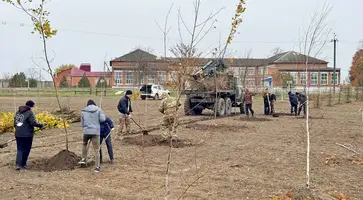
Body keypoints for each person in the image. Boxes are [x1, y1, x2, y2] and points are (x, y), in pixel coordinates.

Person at [13, 100, 44, 170]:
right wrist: (40, 125)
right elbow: (32, 123)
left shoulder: (18, 112)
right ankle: (23, 163)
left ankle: (18, 164)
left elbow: (15, 123)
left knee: (20, 149)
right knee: (26, 149)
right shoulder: (29, 112)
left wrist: (18, 130)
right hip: (27, 135)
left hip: (18, 134)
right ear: (31, 106)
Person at [79, 99, 106, 173]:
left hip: (86, 131)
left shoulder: (83, 111)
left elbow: (82, 124)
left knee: (84, 145)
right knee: (96, 149)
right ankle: (97, 167)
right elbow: (103, 119)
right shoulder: (98, 110)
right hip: (95, 132)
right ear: (94, 104)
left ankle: (83, 160)